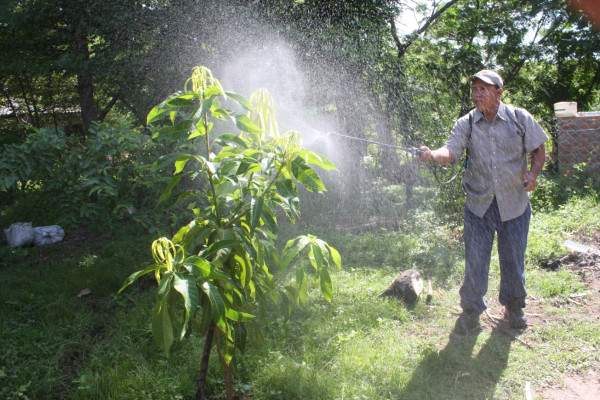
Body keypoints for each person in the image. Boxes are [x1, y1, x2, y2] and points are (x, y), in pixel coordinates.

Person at [417, 69, 548, 334]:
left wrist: (532, 175)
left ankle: (514, 307)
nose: (476, 95)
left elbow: (539, 148)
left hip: (514, 203)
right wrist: (432, 155)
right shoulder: (466, 122)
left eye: (483, 89)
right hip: (479, 204)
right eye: (474, 90)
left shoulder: (519, 118)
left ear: (499, 93)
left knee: (513, 259)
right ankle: (471, 311)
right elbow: (451, 151)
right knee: (476, 259)